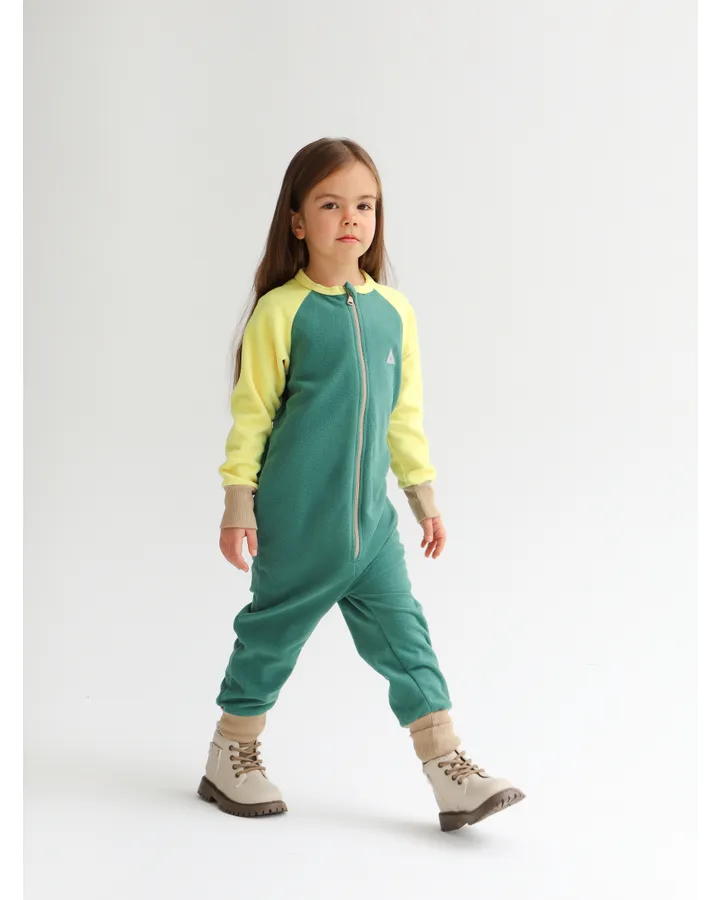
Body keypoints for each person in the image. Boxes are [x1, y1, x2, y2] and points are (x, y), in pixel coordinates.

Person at [197, 137, 525, 832]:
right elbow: (252, 417)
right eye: (330, 204)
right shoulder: (281, 312)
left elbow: (403, 416)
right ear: (297, 220)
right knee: (271, 639)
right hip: (299, 524)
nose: (351, 217)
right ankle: (231, 752)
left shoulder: (394, 312)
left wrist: (423, 498)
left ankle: (449, 771)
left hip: (373, 531)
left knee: (409, 643)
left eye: (365, 205)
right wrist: (237, 504)